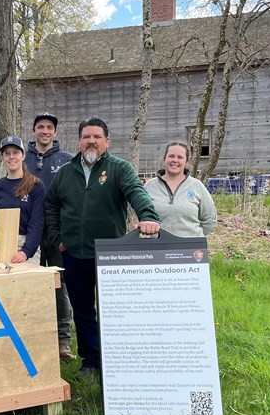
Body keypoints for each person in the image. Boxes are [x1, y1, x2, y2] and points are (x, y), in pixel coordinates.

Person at [44, 118, 160, 377]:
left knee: (113, 312)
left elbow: (136, 192)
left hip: (110, 253)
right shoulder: (65, 172)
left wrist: (148, 215)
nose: (91, 141)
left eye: (97, 136)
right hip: (73, 254)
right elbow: (51, 205)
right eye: (86, 136)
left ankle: (119, 360)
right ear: (79, 141)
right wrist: (57, 238)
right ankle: (91, 361)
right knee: (83, 312)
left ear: (107, 141)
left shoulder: (120, 169)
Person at [24, 112, 76, 362]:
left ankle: (62, 341)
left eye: (49, 127)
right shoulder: (21, 160)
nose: (45, 131)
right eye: (40, 127)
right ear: (34, 131)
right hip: (30, 235)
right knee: (29, 288)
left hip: (58, 233)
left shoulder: (67, 161)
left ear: (55, 133)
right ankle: (32, 337)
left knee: (59, 285)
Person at [0, 136, 45, 263]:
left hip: (24, 244)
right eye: (7, 154)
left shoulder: (36, 186)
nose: (11, 157)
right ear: (3, 158)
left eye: (16, 152)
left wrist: (26, 251)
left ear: (23, 156)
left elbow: (37, 222)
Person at [144, 141, 217, 237]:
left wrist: (194, 237)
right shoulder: (150, 186)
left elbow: (210, 220)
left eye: (180, 157)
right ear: (164, 158)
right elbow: (141, 217)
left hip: (189, 248)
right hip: (158, 248)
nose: (175, 160)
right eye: (171, 156)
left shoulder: (197, 186)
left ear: (186, 161)